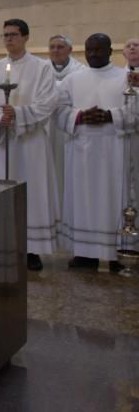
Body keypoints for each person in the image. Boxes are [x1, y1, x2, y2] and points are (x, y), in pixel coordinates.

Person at [0, 19, 59, 271]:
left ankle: (32, 249)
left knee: (32, 191)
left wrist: (19, 114)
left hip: (31, 141)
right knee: (3, 188)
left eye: (13, 34)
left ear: (25, 37)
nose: (9, 39)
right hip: (4, 141)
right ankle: (5, 245)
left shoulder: (42, 68)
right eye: (5, 35)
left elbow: (48, 101)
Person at [54, 34, 131, 271]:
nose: (93, 54)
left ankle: (117, 255)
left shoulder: (126, 78)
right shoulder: (72, 80)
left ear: (110, 51)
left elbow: (136, 110)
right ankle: (85, 254)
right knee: (83, 201)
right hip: (81, 151)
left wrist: (110, 115)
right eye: (89, 50)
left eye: (98, 50)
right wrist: (80, 116)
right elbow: (58, 111)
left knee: (114, 201)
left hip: (115, 150)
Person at [48, 34, 85, 221]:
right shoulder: (42, 70)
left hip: (69, 127)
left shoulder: (81, 71)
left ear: (70, 50)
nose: (55, 50)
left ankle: (70, 213)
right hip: (47, 127)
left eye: (60, 47)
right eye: (52, 47)